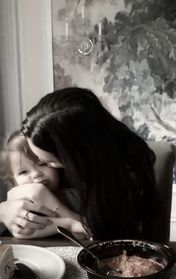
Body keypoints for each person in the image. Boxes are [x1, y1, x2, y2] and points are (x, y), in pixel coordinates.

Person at [21, 87, 164, 242]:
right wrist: (5, 211)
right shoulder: (47, 142)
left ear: (78, 156)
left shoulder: (127, 173)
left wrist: (65, 218)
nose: (40, 170)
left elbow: (107, 239)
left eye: (49, 162)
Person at [0, 130, 88, 239]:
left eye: (42, 164)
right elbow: (23, 231)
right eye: (23, 172)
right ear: (14, 180)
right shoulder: (19, 204)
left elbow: (89, 230)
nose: (36, 174)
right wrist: (68, 224)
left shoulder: (74, 194)